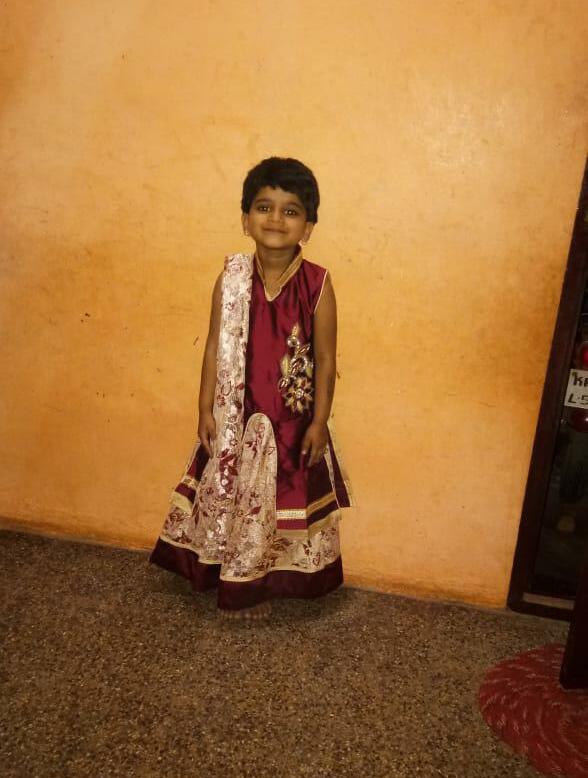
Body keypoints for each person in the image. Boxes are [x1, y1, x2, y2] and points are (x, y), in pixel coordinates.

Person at [149, 157, 352, 619]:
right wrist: (205, 409)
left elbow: (326, 361)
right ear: (245, 219)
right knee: (229, 491)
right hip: (235, 416)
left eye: (290, 210)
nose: (276, 219)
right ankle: (224, 569)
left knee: (282, 496)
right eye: (264, 207)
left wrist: (319, 421)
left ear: (308, 227)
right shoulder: (232, 278)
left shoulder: (317, 284)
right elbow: (213, 346)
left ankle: (270, 579)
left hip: (290, 421)